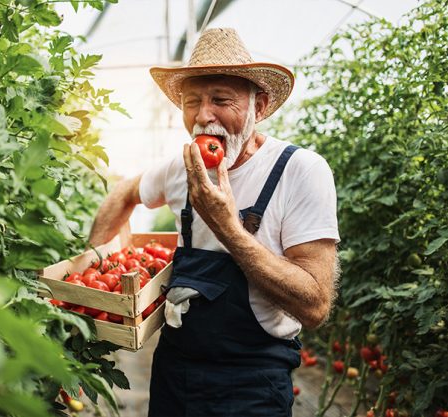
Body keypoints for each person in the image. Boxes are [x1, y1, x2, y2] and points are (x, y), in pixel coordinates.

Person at [88, 28, 340, 417]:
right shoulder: (180, 169)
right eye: (192, 102)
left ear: (259, 105)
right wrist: (97, 276)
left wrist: (227, 227)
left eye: (221, 100)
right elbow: (123, 193)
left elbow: (315, 305)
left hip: (253, 380)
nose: (204, 116)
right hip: (176, 371)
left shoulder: (299, 171)